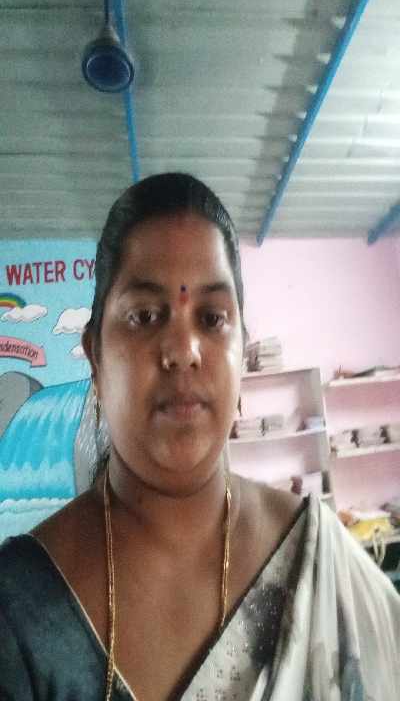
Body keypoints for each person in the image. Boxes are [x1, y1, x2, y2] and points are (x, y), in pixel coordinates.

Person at [0, 173, 399, 701]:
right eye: (145, 316)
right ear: (95, 354)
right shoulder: (19, 607)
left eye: (212, 318)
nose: (184, 350)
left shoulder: (318, 560)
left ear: (242, 353)